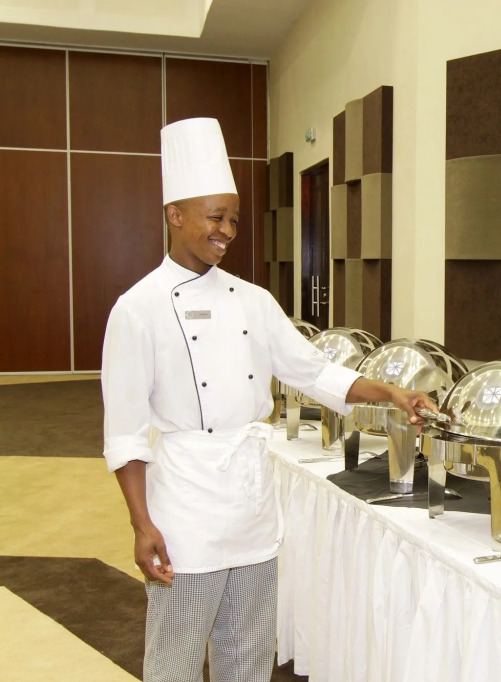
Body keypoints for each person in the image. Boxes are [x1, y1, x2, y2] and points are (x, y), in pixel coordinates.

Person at [100, 117, 437, 682]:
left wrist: (393, 394)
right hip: (185, 509)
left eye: (233, 219)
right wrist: (141, 523)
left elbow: (316, 372)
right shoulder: (138, 308)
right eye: (215, 217)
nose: (227, 231)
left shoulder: (252, 300)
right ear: (174, 215)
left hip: (252, 508)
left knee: (250, 654)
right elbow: (125, 433)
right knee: (175, 660)